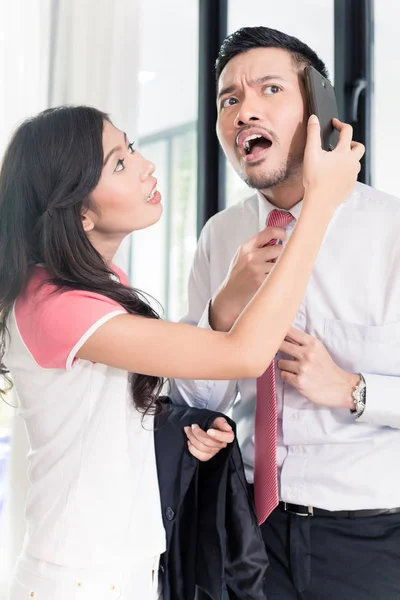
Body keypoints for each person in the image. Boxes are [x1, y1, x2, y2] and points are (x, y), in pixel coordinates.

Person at [0, 105, 360, 600]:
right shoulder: (55, 306)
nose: (145, 164)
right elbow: (245, 355)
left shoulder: (99, 287)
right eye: (119, 164)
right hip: (80, 577)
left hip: (122, 567)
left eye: (130, 147)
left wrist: (228, 301)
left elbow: (113, 414)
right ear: (79, 210)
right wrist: (319, 207)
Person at [171, 25, 400, 600]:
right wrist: (222, 313)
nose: (245, 111)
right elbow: (194, 400)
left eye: (269, 89)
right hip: (249, 531)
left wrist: (353, 389)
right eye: (229, 99)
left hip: (373, 534)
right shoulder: (221, 237)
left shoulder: (391, 232)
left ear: (318, 111)